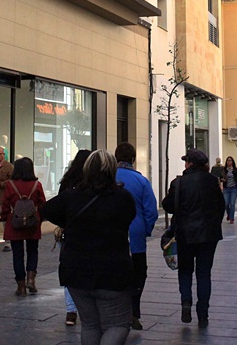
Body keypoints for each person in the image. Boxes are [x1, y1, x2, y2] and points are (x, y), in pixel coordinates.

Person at [41, 150, 136, 345]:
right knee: (117, 325)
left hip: (76, 271)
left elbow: (46, 210)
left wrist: (69, 222)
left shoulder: (72, 196)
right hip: (112, 272)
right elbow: (129, 218)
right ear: (111, 170)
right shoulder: (122, 198)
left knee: (90, 324)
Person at [162, 149, 225, 329]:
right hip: (208, 235)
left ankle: (186, 302)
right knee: (204, 273)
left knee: (185, 270)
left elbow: (168, 205)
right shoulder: (212, 181)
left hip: (185, 234)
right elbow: (220, 206)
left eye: (186, 161)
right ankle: (203, 313)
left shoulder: (179, 182)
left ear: (189, 163)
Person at [114, 142, 158, 331]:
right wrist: (145, 229)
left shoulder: (107, 178)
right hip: (135, 235)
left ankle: (115, 311)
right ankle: (134, 311)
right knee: (138, 272)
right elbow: (151, 211)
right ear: (133, 159)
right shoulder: (141, 181)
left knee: (114, 273)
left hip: (110, 235)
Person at [1, 157, 46, 296]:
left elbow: (4, 205)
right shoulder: (36, 185)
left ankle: (20, 286)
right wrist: (39, 218)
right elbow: (43, 204)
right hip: (32, 222)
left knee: (17, 255)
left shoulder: (10, 185)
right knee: (33, 251)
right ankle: (31, 279)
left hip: (15, 223)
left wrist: (6, 217)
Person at [58, 149, 92, 326]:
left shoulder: (67, 182)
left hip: (70, 232)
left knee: (69, 269)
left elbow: (59, 206)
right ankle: (88, 308)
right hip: (90, 233)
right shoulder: (94, 182)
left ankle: (71, 311)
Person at [221, 156, 237, 224]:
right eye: (227, 160)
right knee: (226, 203)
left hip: (234, 188)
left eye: (230, 160)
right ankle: (229, 214)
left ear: (232, 162)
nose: (229, 162)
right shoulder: (224, 170)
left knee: (232, 203)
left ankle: (232, 218)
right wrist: (222, 180)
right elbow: (220, 177)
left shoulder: (235, 170)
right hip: (226, 188)